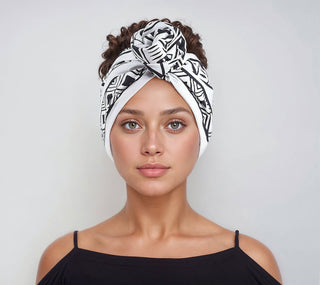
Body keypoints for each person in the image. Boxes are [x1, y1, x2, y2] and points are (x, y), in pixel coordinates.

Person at [36, 19, 282, 284]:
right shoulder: (62, 263)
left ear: (202, 132)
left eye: (174, 124)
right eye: (132, 124)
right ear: (108, 134)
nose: (152, 146)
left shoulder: (254, 265)